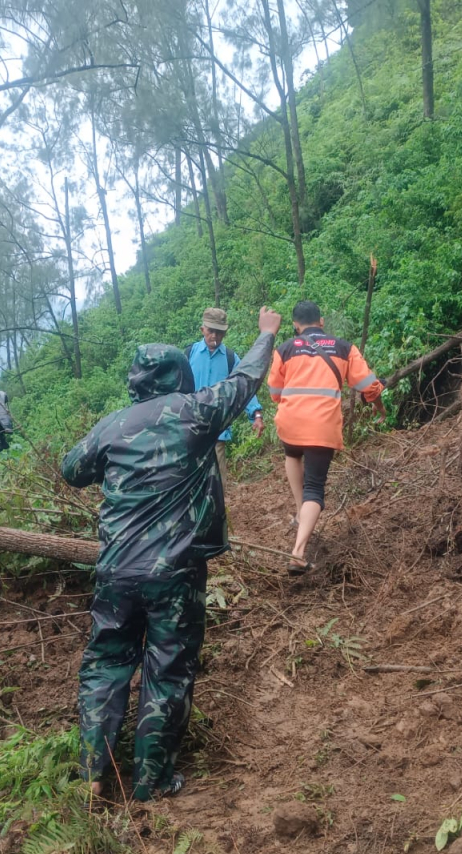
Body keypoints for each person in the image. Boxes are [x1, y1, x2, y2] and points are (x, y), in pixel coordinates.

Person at [61, 306, 283, 801]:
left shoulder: (112, 426)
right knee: (168, 668)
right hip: (174, 573)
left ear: (136, 381)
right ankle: (152, 780)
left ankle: (93, 774)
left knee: (105, 662)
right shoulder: (196, 411)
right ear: (177, 376)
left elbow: (71, 469)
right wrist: (267, 334)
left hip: (116, 569)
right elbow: (246, 379)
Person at [268, 300, 385, 574]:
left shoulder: (284, 349)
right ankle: (297, 553)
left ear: (296, 326)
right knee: (314, 489)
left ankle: (300, 512)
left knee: (292, 453)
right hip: (321, 427)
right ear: (321, 322)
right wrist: (379, 406)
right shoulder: (343, 347)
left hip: (290, 423)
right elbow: (367, 384)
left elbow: (275, 391)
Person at [187, 307, 266, 487]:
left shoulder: (230, 359)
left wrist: (256, 414)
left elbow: (244, 387)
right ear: (202, 330)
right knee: (190, 476)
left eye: (220, 332)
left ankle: (219, 513)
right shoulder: (189, 354)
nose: (215, 336)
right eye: (211, 331)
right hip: (191, 427)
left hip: (217, 428)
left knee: (218, 479)